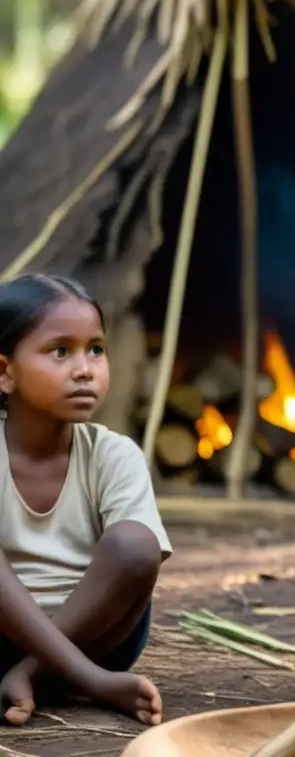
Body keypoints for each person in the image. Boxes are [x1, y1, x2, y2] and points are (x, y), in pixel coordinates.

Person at [0, 274, 170, 726]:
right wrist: (94, 681)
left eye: (96, 348)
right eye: (60, 351)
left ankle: (31, 676)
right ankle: (77, 682)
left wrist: (37, 662)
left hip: (99, 639)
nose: (85, 368)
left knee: (137, 544)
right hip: (14, 642)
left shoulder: (113, 455)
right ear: (4, 372)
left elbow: (135, 566)